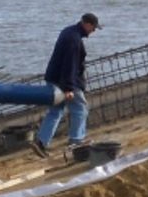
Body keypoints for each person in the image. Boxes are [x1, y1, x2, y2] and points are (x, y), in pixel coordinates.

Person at [31, 13, 101, 158]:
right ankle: (76, 142)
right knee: (80, 109)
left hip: (54, 78)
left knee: (55, 111)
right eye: (93, 28)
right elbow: (70, 65)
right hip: (65, 81)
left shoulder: (68, 31)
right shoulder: (74, 40)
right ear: (87, 24)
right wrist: (68, 88)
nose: (93, 31)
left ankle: (41, 142)